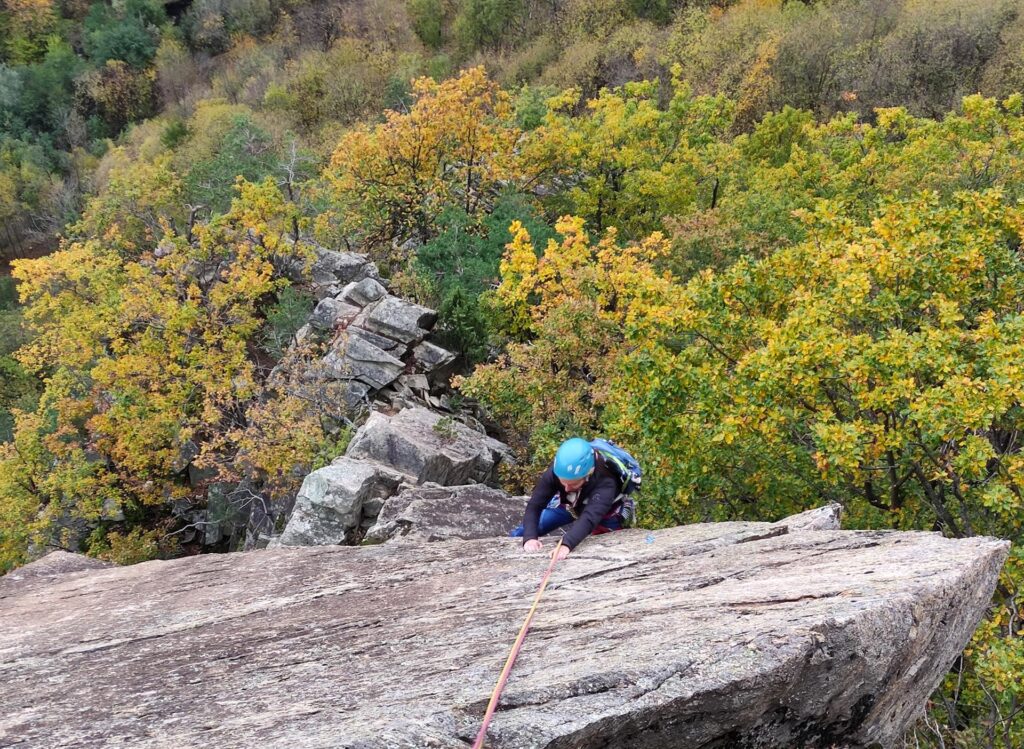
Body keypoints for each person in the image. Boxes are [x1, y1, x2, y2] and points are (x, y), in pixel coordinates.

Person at [510, 437, 627, 561]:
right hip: (569, 503)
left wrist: (566, 544)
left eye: (572, 484)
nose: (566, 488)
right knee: (524, 532)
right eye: (563, 483)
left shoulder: (606, 482)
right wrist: (529, 537)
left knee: (606, 550)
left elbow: (589, 518)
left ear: (588, 474)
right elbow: (535, 505)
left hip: (605, 513)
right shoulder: (558, 471)